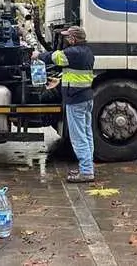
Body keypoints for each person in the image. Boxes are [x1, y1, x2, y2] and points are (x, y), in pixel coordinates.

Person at [33, 26, 96, 183]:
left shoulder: (73, 53)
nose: (66, 40)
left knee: (78, 137)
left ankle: (87, 171)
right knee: (87, 135)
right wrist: (60, 82)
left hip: (76, 100)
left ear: (74, 39)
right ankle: (88, 167)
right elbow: (77, 74)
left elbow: (54, 57)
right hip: (86, 97)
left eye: (68, 37)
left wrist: (37, 55)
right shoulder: (87, 52)